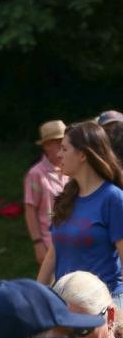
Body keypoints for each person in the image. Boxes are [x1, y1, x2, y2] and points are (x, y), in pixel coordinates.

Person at [38, 120, 123, 304]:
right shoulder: (65, 199)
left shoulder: (114, 199)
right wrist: (36, 297)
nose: (59, 155)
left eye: (64, 149)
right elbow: (53, 253)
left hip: (103, 308)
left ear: (83, 154)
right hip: (64, 308)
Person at [25, 120, 69, 267]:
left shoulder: (73, 169)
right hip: (50, 242)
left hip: (76, 240)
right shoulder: (36, 173)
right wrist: (37, 243)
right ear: (46, 146)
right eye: (59, 142)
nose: (64, 146)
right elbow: (30, 210)